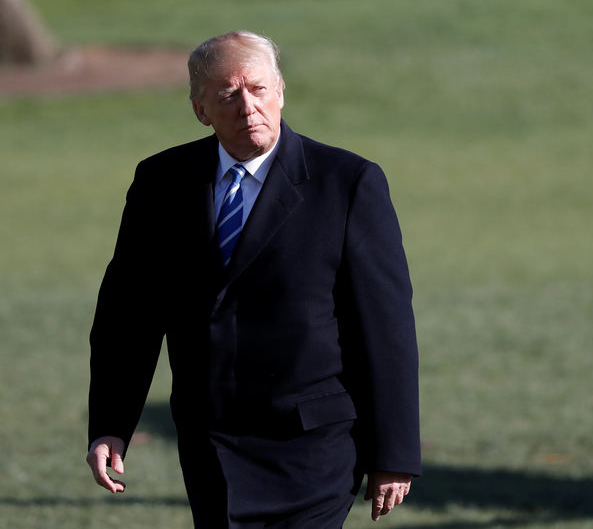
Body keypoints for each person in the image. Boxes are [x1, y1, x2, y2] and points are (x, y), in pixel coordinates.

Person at [86, 30, 420, 529]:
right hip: (211, 443)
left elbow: (384, 328)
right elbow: (127, 315)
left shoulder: (347, 183)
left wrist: (392, 452)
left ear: (280, 90)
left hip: (314, 447)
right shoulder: (162, 183)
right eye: (227, 96)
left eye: (258, 89)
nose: (247, 107)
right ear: (200, 110)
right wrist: (111, 424)